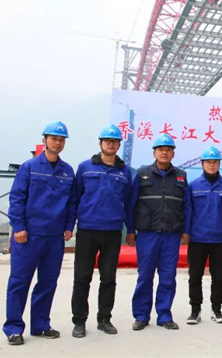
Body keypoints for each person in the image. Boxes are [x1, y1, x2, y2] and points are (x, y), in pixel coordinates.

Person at [3, 121, 76, 346]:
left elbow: (72, 202)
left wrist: (69, 226)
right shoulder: (30, 167)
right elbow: (17, 198)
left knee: (48, 281)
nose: (58, 143)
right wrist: (19, 227)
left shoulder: (67, 171)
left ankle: (41, 325)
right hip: (29, 235)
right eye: (54, 138)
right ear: (44, 140)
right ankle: (14, 328)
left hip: (54, 237)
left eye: (61, 139)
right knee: (19, 281)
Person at [71, 125, 133, 338]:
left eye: (114, 141)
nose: (111, 144)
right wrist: (70, 226)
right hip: (87, 230)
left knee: (108, 278)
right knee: (82, 277)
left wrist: (130, 230)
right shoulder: (85, 167)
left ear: (119, 145)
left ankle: (104, 319)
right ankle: (79, 321)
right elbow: (75, 197)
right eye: (107, 141)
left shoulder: (125, 172)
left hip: (113, 231)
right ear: (100, 143)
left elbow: (129, 203)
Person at [126, 133, 191, 331]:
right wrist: (130, 230)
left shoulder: (181, 176)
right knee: (145, 276)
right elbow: (131, 204)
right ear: (154, 152)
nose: (164, 153)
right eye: (161, 149)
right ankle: (141, 315)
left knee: (168, 277)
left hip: (171, 234)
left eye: (168, 150)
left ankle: (164, 315)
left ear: (173, 154)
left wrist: (186, 230)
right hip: (148, 234)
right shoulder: (142, 174)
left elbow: (187, 206)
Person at [185, 146, 222, 324]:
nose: (212, 165)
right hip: (198, 238)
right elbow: (188, 211)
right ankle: (195, 310)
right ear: (202, 164)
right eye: (208, 162)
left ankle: (216, 310)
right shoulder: (193, 186)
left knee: (218, 277)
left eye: (215, 162)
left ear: (219, 164)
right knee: (195, 276)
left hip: (220, 239)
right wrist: (186, 233)